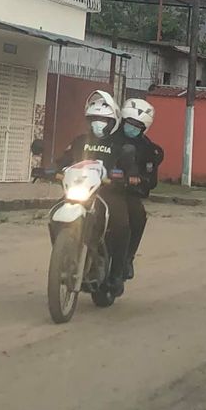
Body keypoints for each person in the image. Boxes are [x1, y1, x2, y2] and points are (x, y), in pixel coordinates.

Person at [58, 89, 128, 295]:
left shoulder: (119, 144)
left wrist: (124, 175)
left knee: (121, 224)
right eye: (94, 119)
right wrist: (52, 170)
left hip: (107, 192)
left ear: (113, 121)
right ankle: (63, 254)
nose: (98, 123)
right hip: (80, 190)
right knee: (55, 213)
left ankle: (117, 274)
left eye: (103, 120)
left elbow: (128, 167)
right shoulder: (80, 141)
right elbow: (64, 160)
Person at [117, 97, 164, 281]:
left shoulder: (148, 149)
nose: (131, 128)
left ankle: (127, 258)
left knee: (138, 216)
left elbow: (151, 180)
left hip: (126, 192)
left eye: (137, 126)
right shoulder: (109, 137)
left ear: (144, 128)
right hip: (97, 186)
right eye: (129, 123)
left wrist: (139, 180)